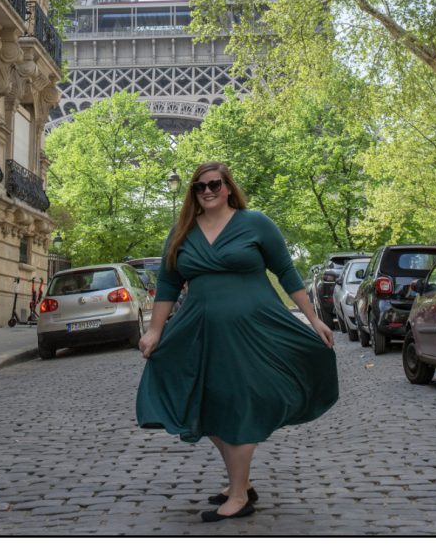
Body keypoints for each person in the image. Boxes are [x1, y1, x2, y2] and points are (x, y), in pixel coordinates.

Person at [135, 162, 339, 522]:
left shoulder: (255, 223)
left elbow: (286, 273)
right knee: (206, 403)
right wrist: (154, 330)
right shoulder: (182, 231)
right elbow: (167, 285)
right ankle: (239, 481)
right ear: (193, 193)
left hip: (254, 331)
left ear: (228, 187)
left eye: (215, 184)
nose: (208, 191)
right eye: (199, 187)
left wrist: (314, 319)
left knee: (241, 403)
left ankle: (240, 495)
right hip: (200, 333)